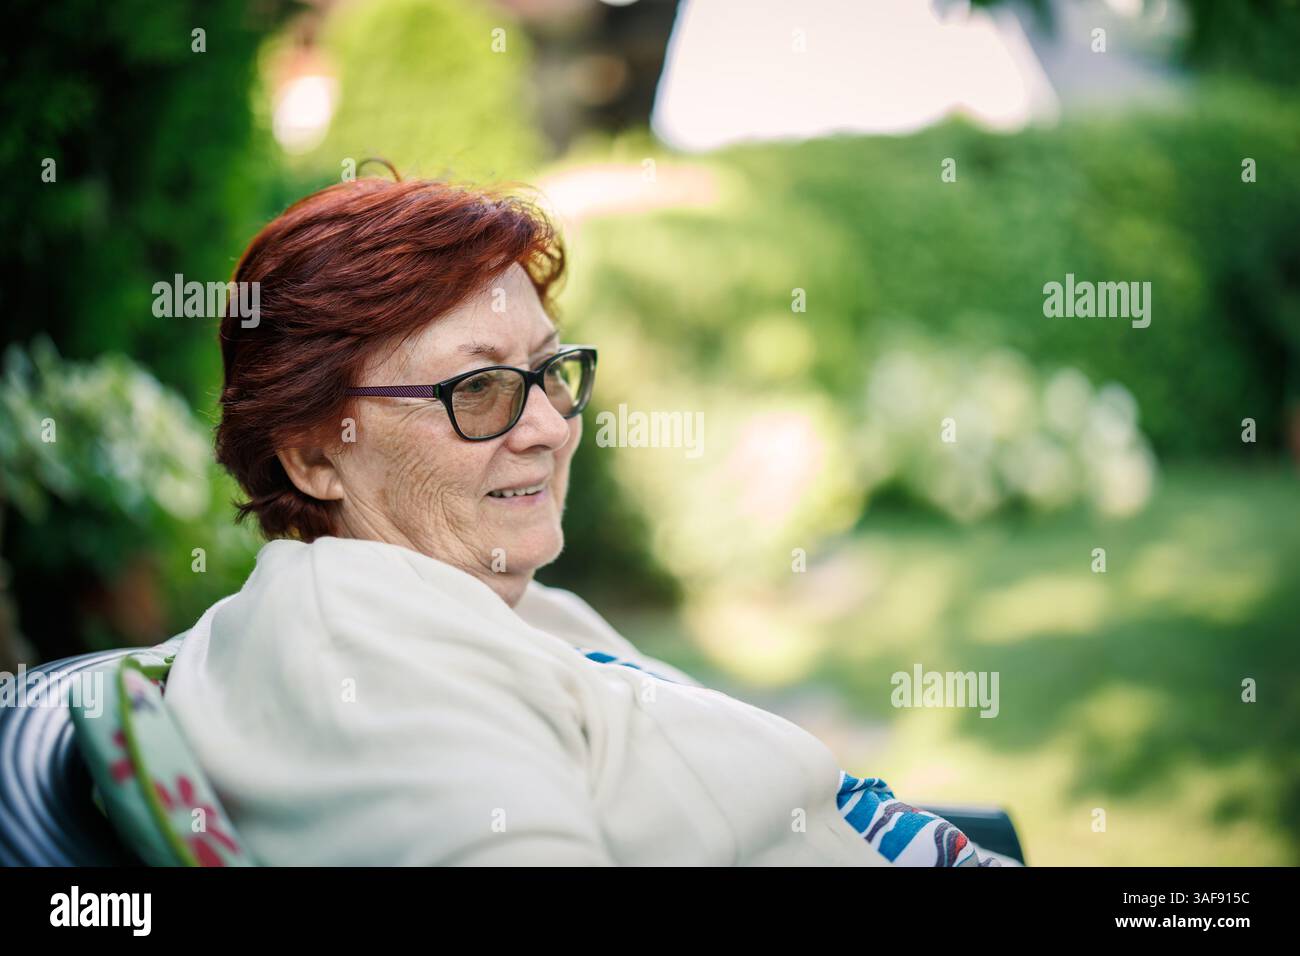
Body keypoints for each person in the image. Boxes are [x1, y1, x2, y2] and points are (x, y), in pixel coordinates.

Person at [164, 171, 1014, 866]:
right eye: (479, 388)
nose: (549, 426)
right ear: (313, 454)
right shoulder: (368, 664)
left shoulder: (480, 603)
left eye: (548, 369)